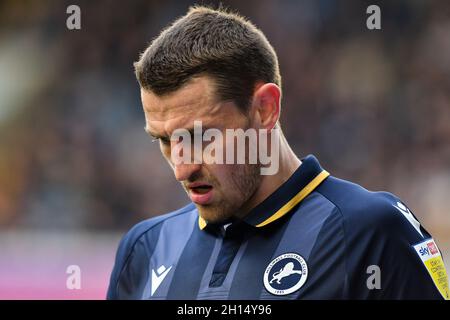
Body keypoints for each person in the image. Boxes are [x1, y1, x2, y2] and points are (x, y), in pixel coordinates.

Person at [107, 6, 448, 300]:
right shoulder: (144, 249)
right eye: (164, 140)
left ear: (265, 109)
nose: (182, 169)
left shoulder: (370, 232)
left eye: (200, 136)